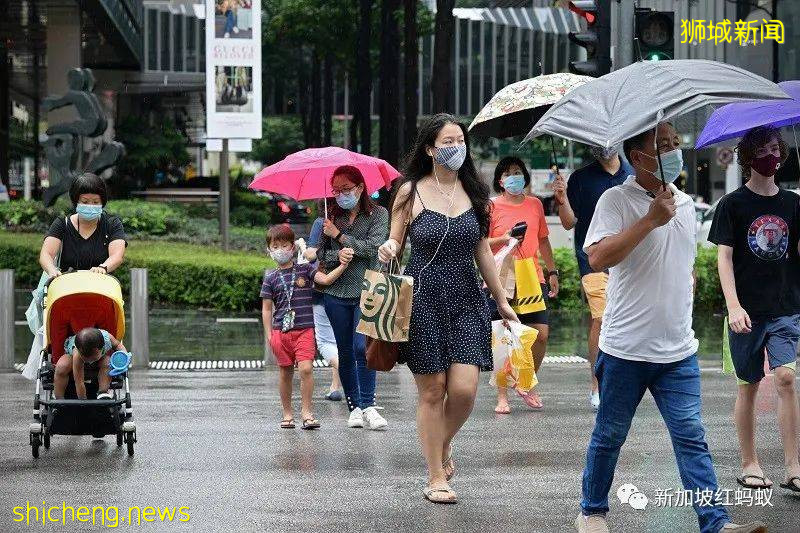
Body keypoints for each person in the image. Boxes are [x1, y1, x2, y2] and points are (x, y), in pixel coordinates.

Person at [575, 122, 767, 533]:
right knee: (609, 436)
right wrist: (648, 220)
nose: (672, 151)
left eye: (674, 143)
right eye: (661, 145)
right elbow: (597, 258)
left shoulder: (681, 201)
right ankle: (591, 511)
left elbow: (683, 270)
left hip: (678, 351)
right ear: (637, 156)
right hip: (626, 349)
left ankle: (716, 522)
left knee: (691, 437)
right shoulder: (616, 200)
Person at [378, 113, 518, 504]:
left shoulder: (475, 192)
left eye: (461, 141)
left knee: (465, 390)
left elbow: (482, 252)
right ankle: (436, 476)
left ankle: (441, 443)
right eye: (447, 142)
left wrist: (502, 302)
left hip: (467, 299)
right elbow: (394, 242)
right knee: (432, 390)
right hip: (422, 297)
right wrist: (388, 248)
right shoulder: (410, 192)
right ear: (429, 148)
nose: (456, 148)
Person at [708, 126, 800, 495]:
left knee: (786, 379)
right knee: (748, 386)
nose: (771, 155)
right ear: (748, 157)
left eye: (776, 148)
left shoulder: (793, 203)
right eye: (763, 149)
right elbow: (724, 258)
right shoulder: (732, 205)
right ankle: (750, 463)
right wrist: (733, 306)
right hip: (745, 310)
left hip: (785, 308)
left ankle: (794, 465)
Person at [553, 146, 633, 410]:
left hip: (631, 261)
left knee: (624, 322)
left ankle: (623, 383)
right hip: (593, 261)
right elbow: (568, 223)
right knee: (601, 318)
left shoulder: (634, 173)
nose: (604, 146)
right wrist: (562, 199)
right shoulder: (580, 178)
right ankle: (597, 385)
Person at [317, 165, 389, 430]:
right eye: (336, 190)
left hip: (367, 289)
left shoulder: (379, 214)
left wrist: (341, 237)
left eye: (346, 189)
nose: (341, 195)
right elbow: (320, 256)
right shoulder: (328, 217)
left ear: (360, 188)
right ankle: (354, 406)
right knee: (345, 350)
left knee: (363, 348)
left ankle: (369, 404)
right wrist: (338, 254)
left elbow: (373, 249)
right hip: (336, 292)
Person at [261, 224, 350, 430]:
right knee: (285, 372)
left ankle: (307, 412)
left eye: (285, 245)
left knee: (306, 368)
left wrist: (343, 266)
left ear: (293, 247)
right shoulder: (270, 278)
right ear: (269, 250)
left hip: (304, 329)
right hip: (280, 333)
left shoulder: (305, 270)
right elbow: (267, 309)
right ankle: (287, 413)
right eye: (276, 246)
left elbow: (325, 279)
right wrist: (270, 336)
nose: (281, 250)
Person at [487, 156, 558, 413]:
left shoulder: (535, 204)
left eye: (518, 172)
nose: (514, 177)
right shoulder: (491, 206)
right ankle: (502, 395)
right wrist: (505, 238)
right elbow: (482, 244)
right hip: (502, 274)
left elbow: (544, 240)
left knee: (540, 334)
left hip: (532, 273)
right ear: (500, 180)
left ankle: (526, 382)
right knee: (504, 335)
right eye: (508, 173)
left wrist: (552, 271)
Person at [39, 173, 127, 364]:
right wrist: (52, 270)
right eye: (85, 201)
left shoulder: (112, 224)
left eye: (96, 201)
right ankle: (57, 361)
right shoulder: (61, 224)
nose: (90, 205)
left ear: (103, 202)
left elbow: (117, 255)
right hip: (66, 294)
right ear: (75, 201)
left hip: (100, 294)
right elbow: (46, 254)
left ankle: (108, 362)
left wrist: (104, 267)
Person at [304, 201, 344, 401]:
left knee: (325, 342)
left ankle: (346, 367)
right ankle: (335, 387)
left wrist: (305, 248)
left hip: (323, 290)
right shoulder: (353, 222)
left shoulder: (321, 223)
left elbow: (311, 255)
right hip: (349, 290)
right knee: (340, 340)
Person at [54, 327, 126, 400]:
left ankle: (103, 392)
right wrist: (83, 400)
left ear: (101, 348)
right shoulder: (77, 354)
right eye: (85, 357)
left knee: (107, 361)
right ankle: (59, 398)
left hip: (100, 360)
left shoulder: (108, 339)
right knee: (62, 366)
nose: (89, 361)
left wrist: (125, 356)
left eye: (92, 358)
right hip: (73, 359)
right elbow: (79, 382)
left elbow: (118, 345)